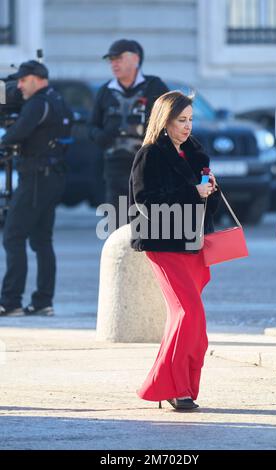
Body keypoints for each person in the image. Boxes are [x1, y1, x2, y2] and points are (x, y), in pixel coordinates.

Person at [129, 91, 220, 411]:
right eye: (181, 120)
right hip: (164, 243)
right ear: (164, 121)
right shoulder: (150, 154)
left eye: (191, 120)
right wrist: (190, 191)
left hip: (193, 244)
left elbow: (205, 201)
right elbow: (145, 202)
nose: (187, 126)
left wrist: (208, 189)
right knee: (188, 314)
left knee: (193, 323)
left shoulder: (196, 153)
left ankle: (179, 385)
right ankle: (171, 387)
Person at [0, 60, 73, 317]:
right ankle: (43, 302)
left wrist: (4, 140)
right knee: (42, 240)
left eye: (22, 80)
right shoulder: (57, 99)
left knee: (13, 235)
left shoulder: (37, 103)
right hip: (53, 177)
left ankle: (11, 302)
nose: (18, 86)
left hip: (35, 178)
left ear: (36, 78)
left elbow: (16, 133)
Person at [88, 38, 168, 226]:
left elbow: (172, 121)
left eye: (118, 58)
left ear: (135, 59)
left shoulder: (155, 87)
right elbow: (91, 126)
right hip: (115, 168)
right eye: (111, 60)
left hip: (148, 168)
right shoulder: (105, 91)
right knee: (118, 227)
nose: (113, 64)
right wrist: (101, 136)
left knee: (149, 227)